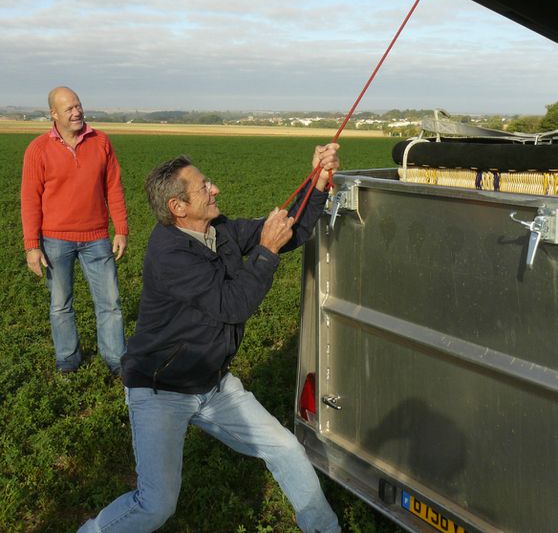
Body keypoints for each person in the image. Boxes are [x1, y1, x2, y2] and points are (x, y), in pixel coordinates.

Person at [78, 144, 341, 533]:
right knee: (155, 505)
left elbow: (294, 230)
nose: (214, 189)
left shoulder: (219, 232)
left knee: (286, 448)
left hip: (212, 383)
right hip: (161, 390)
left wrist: (317, 181)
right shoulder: (170, 255)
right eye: (204, 187)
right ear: (178, 207)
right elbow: (233, 305)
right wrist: (266, 251)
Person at [20, 86, 128, 375]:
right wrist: (32, 246)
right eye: (69, 108)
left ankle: (117, 362)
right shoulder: (38, 149)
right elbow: (30, 199)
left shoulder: (101, 141)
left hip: (96, 238)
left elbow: (113, 187)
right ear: (53, 114)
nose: (77, 111)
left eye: (78, 105)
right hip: (54, 240)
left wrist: (121, 229)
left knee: (110, 304)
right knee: (60, 305)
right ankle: (68, 361)